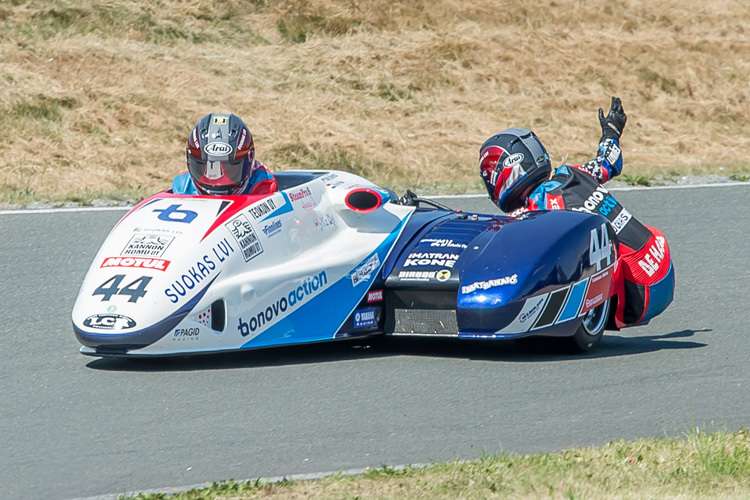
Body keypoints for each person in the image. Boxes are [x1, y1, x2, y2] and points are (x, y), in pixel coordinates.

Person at [478, 97, 674, 328]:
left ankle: (587, 313)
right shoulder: (573, 173)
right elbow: (609, 160)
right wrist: (611, 131)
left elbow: (500, 237)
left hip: (636, 287)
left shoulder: (536, 207)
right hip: (659, 258)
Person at [172, 113, 277, 195]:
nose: (217, 181)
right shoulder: (182, 187)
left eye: (229, 168)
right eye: (207, 167)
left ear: (249, 160)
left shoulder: (263, 186)